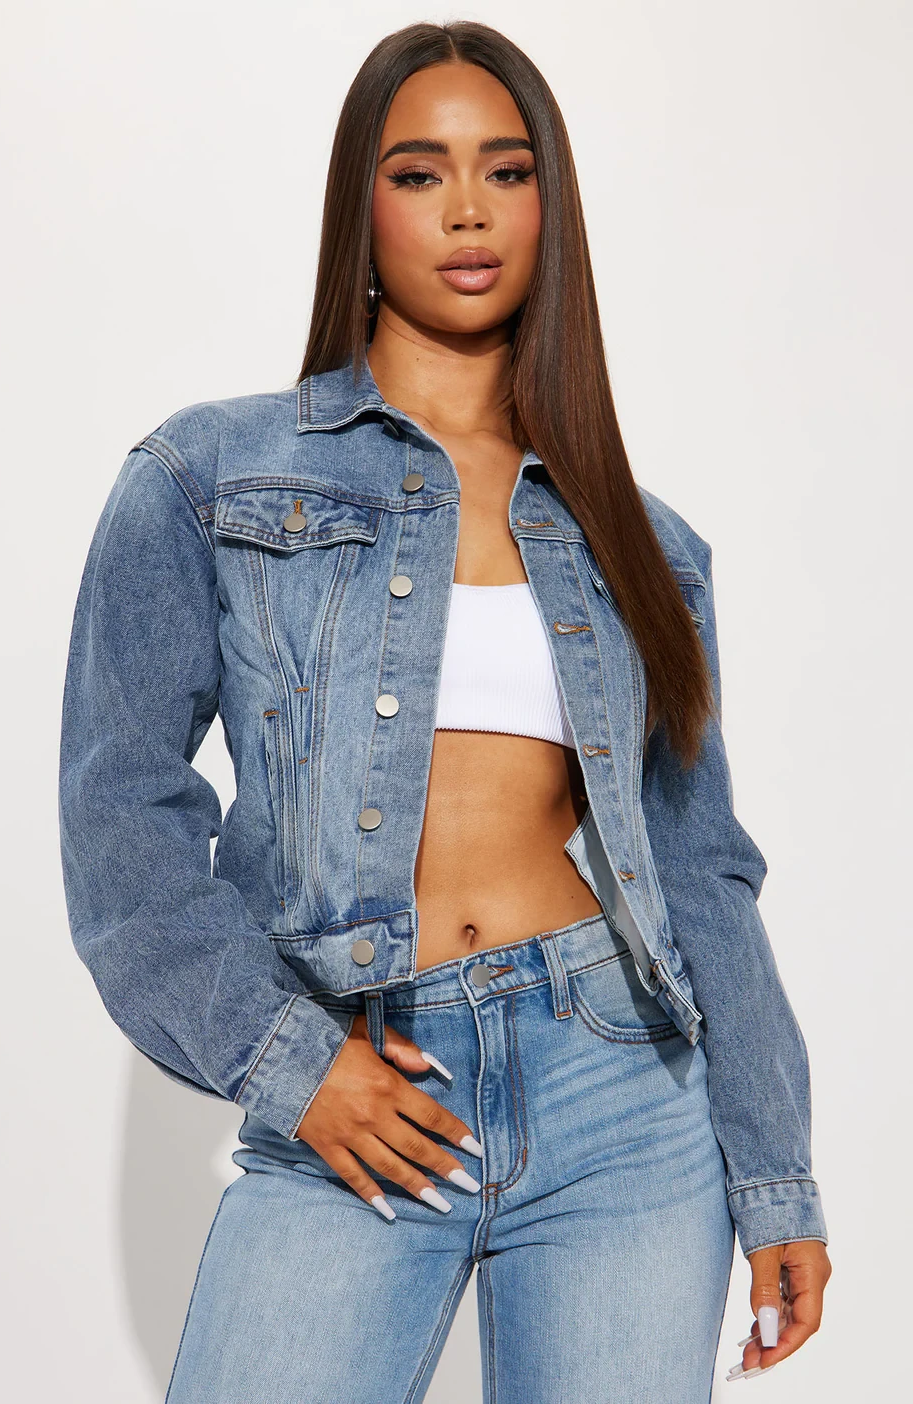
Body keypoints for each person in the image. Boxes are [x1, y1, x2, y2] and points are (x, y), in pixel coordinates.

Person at [57, 19, 831, 1403]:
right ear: (360, 210)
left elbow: (703, 872)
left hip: (622, 1090)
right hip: (363, 1072)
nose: (468, 209)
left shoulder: (645, 544)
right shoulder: (207, 477)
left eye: (506, 171)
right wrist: (293, 1066)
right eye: (419, 173)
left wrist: (777, 1176)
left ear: (549, 208)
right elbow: (122, 819)